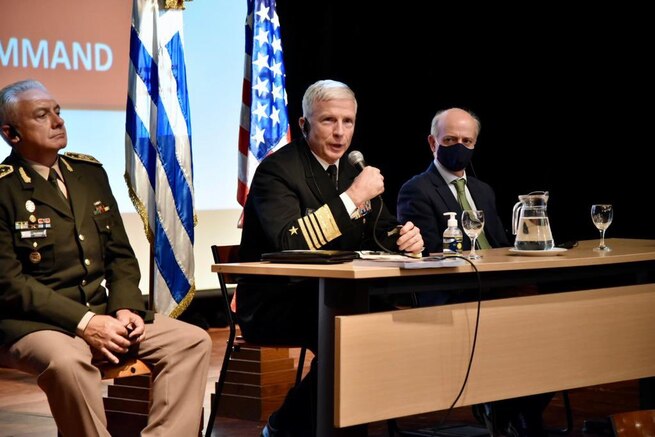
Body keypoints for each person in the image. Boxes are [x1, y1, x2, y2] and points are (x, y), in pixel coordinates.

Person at [0, 79, 212, 437]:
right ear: (11, 134)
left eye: (57, 111)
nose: (57, 121)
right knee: (69, 362)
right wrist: (85, 323)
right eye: (41, 115)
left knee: (191, 341)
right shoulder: (4, 188)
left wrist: (125, 308)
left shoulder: (88, 173)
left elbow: (120, 257)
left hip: (102, 312)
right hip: (34, 323)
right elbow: (9, 283)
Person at [238, 79, 424, 437]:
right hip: (278, 299)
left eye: (348, 122)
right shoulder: (276, 171)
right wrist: (353, 198)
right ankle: (287, 427)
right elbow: (288, 243)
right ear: (304, 124)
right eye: (328, 121)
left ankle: (317, 425)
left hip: (337, 296)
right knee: (357, 335)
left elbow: (379, 232)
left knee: (386, 328)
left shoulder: (352, 169)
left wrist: (404, 239)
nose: (340, 133)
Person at [397, 107, 552, 436]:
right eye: (450, 139)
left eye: (467, 141)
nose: (460, 147)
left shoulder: (483, 191)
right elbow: (427, 258)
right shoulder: (417, 190)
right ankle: (514, 415)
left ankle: (509, 410)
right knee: (523, 326)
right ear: (432, 143)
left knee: (554, 323)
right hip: (453, 295)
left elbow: (498, 245)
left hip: (496, 289)